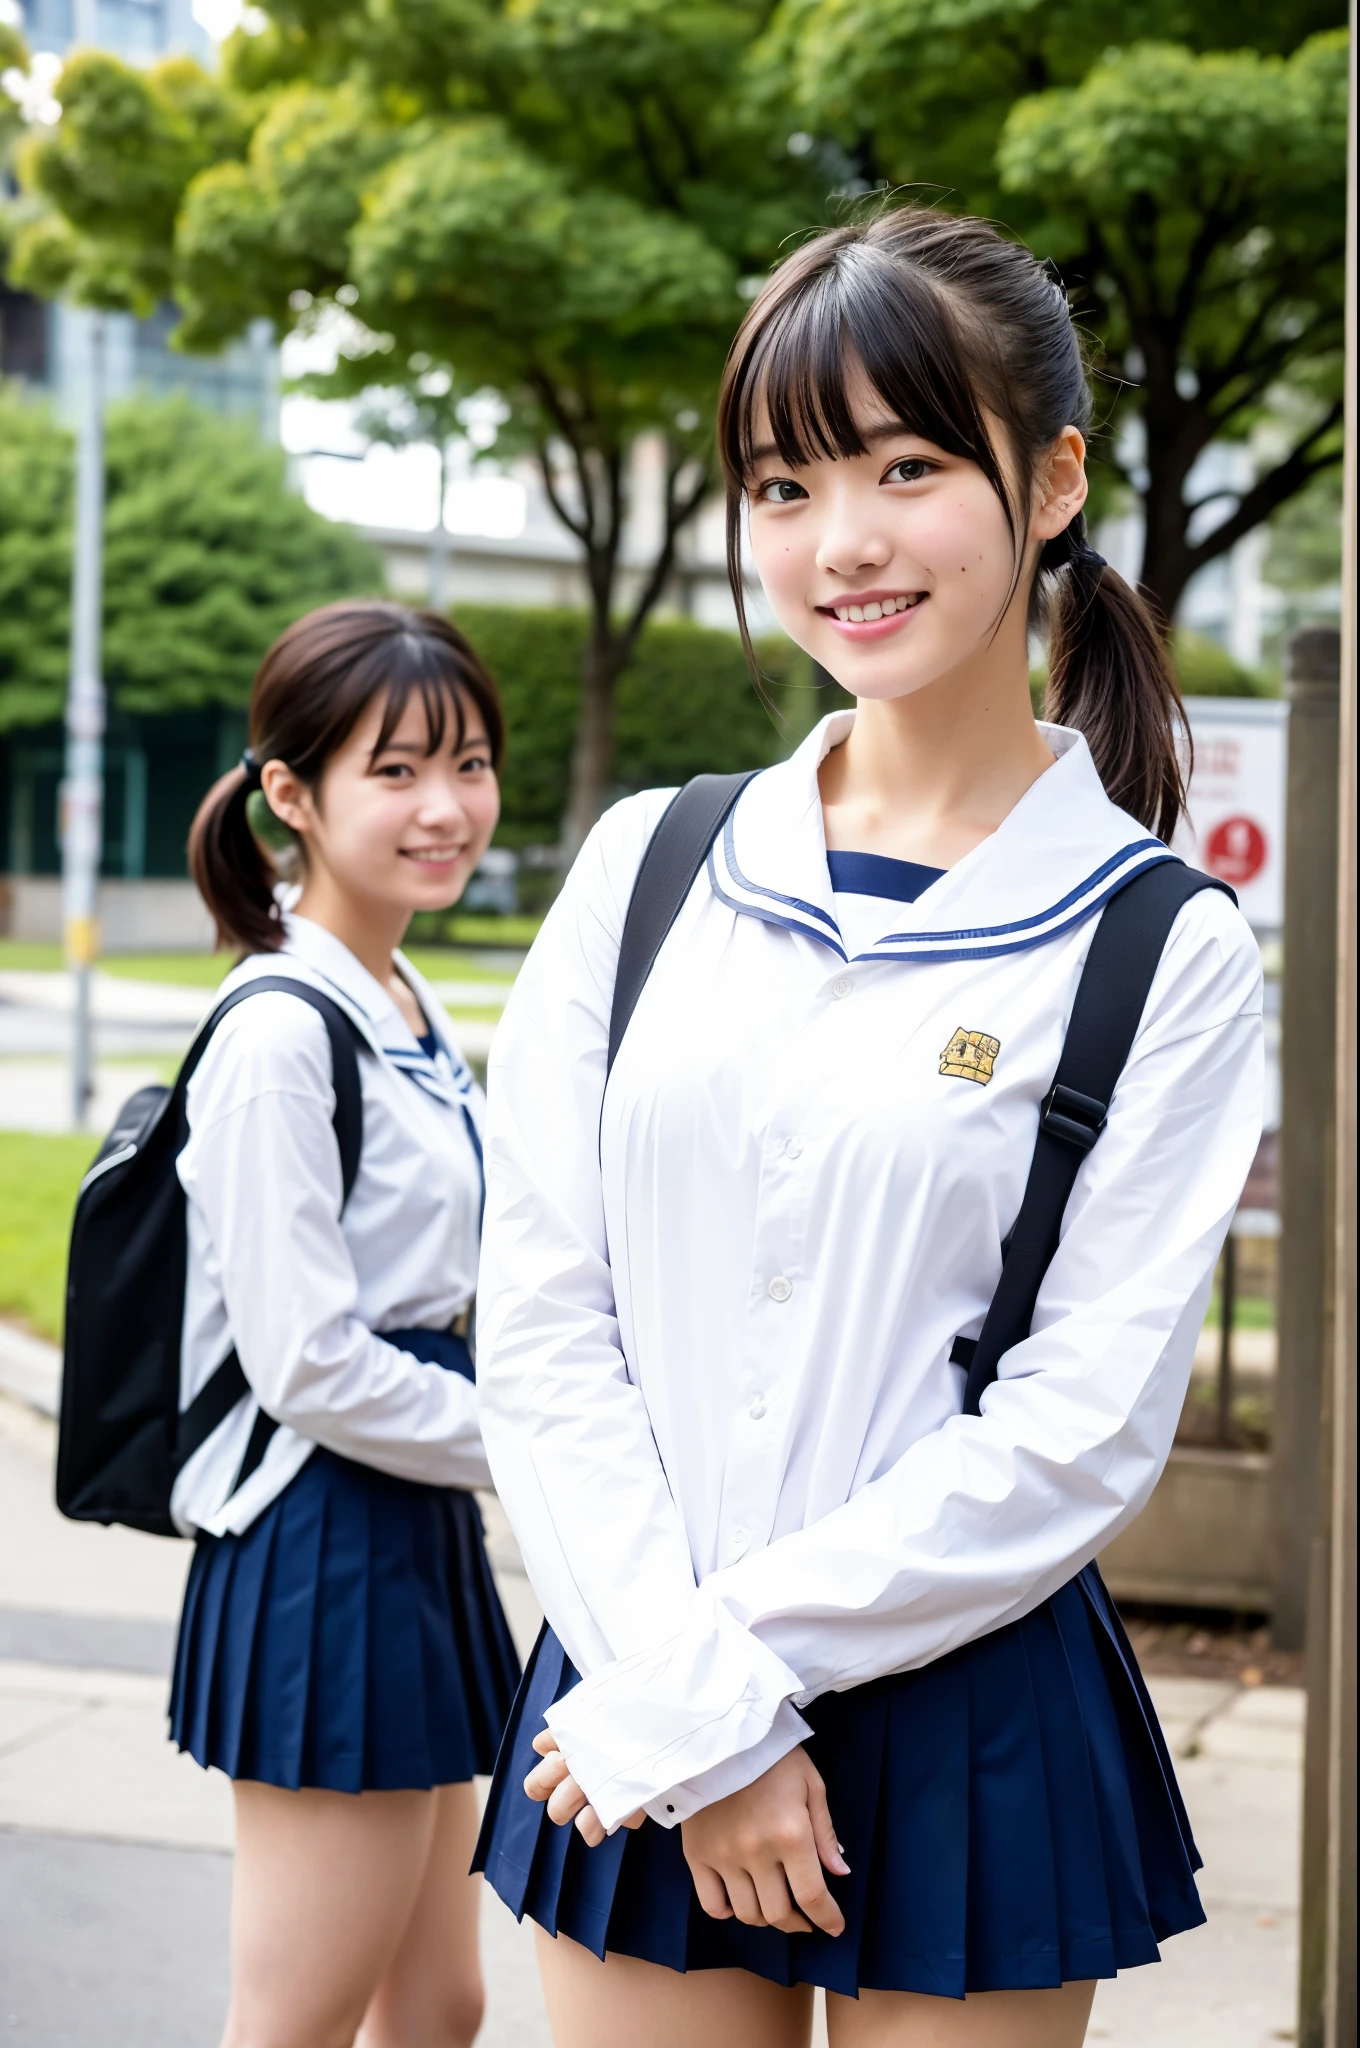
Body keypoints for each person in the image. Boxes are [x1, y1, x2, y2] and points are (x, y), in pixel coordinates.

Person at [470, 208, 1264, 2048]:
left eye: (909, 466)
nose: (842, 544)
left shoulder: (1161, 945)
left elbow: (1079, 1428)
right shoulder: (651, 864)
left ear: (1053, 480)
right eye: (784, 483)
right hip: (641, 1653)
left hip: (968, 1702)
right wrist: (698, 1705)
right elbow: (540, 1314)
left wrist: (728, 1682)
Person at [170, 600, 521, 2048]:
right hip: (325, 1537)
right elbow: (307, 1360)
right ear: (292, 796)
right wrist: (536, 1443)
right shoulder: (277, 1033)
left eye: (472, 763)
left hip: (412, 1523)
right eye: (397, 771)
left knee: (438, 2010)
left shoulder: (401, 994)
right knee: (296, 2025)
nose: (447, 808)